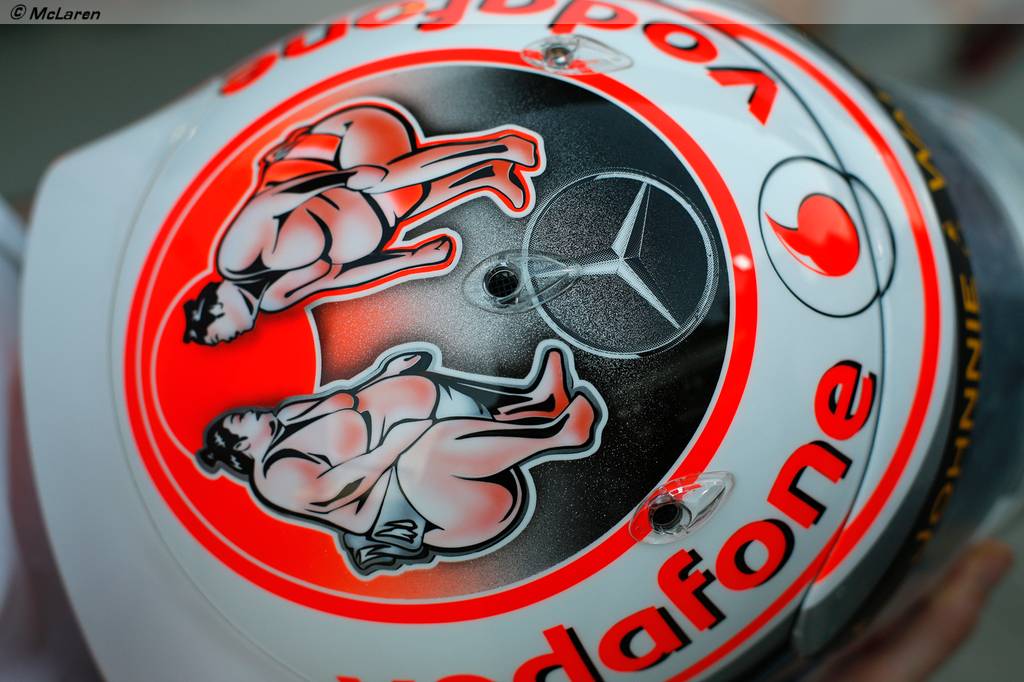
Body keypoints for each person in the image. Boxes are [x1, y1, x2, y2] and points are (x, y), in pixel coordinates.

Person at [195, 341, 604, 574]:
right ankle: (559, 436)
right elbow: (336, 490)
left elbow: (349, 400)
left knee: (407, 400)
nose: (245, 414)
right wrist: (394, 442)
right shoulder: (274, 475)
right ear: (241, 448)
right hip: (435, 514)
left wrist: (387, 375)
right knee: (421, 450)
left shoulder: (287, 416)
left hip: (462, 474)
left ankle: (536, 406)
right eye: (238, 422)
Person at [182, 100, 544, 345]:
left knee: (383, 181)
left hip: (339, 148)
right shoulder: (275, 298)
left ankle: (500, 146)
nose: (228, 339)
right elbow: (338, 276)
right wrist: (410, 259)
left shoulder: (234, 260)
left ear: (215, 309)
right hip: (365, 204)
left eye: (219, 334)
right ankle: (488, 176)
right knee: (382, 216)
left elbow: (274, 200)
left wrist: (344, 177)